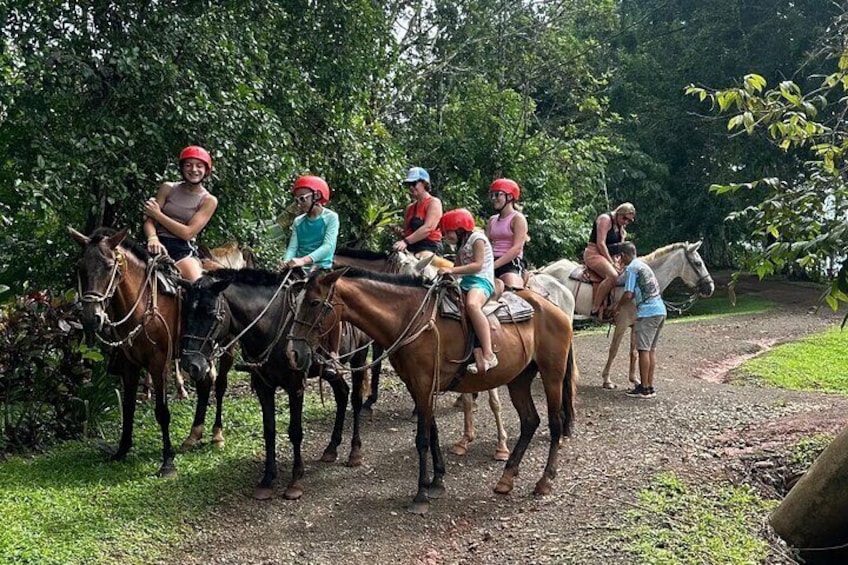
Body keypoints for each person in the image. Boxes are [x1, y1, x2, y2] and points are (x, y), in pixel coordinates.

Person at [143, 145, 219, 282]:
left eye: (199, 166)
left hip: (181, 249)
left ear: (206, 170)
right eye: (188, 165)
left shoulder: (208, 200)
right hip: (155, 244)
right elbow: (149, 220)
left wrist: (158, 215)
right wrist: (152, 238)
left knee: (197, 287)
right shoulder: (167, 188)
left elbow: (188, 233)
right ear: (182, 168)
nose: (194, 169)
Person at [437, 208, 498, 375]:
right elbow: (457, 268)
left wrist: (451, 271)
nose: (446, 236)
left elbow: (478, 265)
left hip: (481, 281)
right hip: (466, 282)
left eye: (447, 231)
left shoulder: (478, 239)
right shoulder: (462, 245)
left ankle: (488, 354)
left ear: (459, 227)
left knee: (472, 305)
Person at [612, 242, 666, 399]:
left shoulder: (631, 269)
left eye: (619, 258)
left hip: (648, 313)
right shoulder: (644, 266)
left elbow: (628, 294)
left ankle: (643, 388)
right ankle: (649, 386)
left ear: (623, 256)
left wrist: (617, 307)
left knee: (643, 350)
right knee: (651, 351)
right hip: (660, 311)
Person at [583, 202, 636, 320]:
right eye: (624, 218)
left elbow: (619, 247)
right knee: (613, 275)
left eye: (629, 220)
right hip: (594, 253)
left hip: (609, 256)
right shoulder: (605, 219)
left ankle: (613, 307)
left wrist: (617, 261)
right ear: (618, 213)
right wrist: (612, 263)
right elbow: (600, 244)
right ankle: (595, 308)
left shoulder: (622, 229)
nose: (626, 222)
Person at [282, 175, 339, 270]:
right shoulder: (298, 221)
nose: (299, 204)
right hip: (299, 268)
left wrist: (303, 261)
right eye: (297, 200)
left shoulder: (331, 217)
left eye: (302, 199)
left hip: (321, 269)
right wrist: (286, 261)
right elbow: (293, 247)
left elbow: (328, 246)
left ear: (317, 196)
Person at [486, 178, 528, 290]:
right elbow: (486, 245)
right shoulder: (492, 220)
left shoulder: (518, 218)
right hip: (491, 262)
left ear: (509, 197)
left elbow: (516, 249)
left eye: (497, 195)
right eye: (492, 195)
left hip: (511, 263)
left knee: (513, 290)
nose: (494, 199)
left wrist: (493, 266)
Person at [392, 167, 443, 258]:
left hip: (429, 246)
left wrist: (406, 241)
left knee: (422, 258)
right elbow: (407, 233)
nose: (411, 187)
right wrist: (400, 232)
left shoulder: (433, 202)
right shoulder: (410, 208)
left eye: (413, 183)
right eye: (409, 185)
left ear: (424, 183)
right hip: (411, 246)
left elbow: (428, 228)